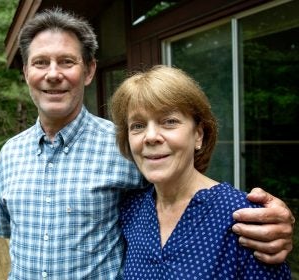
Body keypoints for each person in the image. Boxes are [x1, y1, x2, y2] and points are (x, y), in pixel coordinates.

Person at [0, 8, 294, 279]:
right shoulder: (9, 155)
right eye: (40, 62)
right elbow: (11, 237)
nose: (53, 74)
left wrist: (277, 219)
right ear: (26, 73)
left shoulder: (121, 146)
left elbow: (186, 186)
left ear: (89, 70)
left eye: (67, 61)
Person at [110, 65, 291, 279]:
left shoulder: (244, 216)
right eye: (138, 125)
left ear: (198, 135)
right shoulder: (132, 210)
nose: (150, 136)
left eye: (169, 121)